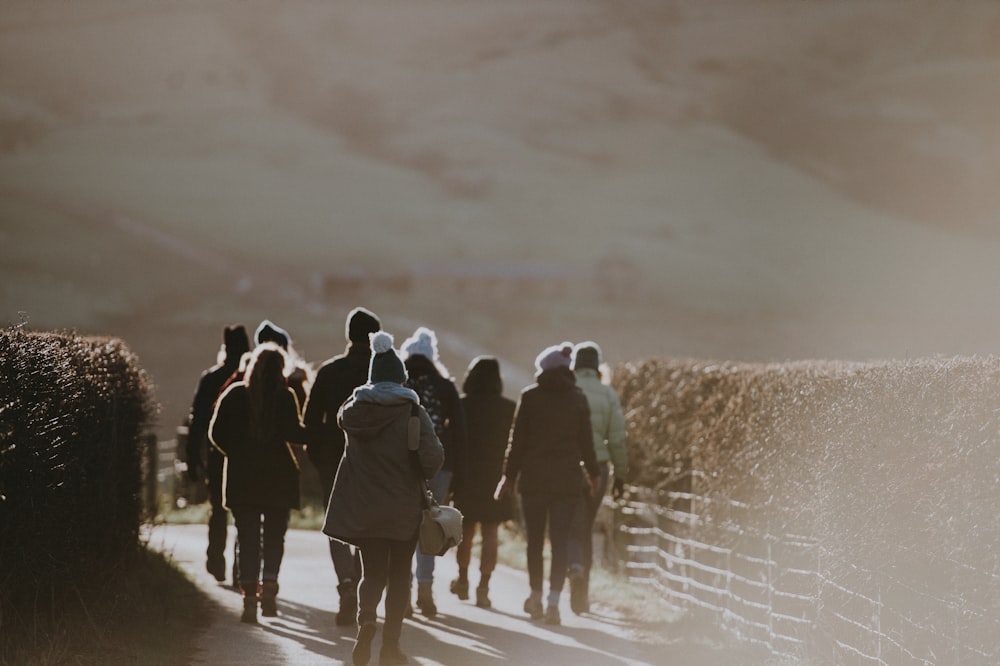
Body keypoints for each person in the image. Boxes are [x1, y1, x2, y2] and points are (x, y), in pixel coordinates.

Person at [323, 331, 444, 666]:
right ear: (401, 378)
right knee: (400, 575)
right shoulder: (413, 412)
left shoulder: (353, 413)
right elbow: (433, 459)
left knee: (372, 573)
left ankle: (365, 625)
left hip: (365, 508)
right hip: (404, 508)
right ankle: (391, 647)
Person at [495, 342, 599, 626]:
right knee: (560, 544)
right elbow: (587, 443)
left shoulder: (530, 397)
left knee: (535, 543)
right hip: (567, 483)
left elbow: (517, 442)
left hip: (534, 482)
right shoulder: (578, 399)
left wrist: (508, 476)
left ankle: (536, 597)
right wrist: (594, 474)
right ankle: (554, 602)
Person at [209, 343, 310, 624]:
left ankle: (250, 598)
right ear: (280, 370)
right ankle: (270, 591)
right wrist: (319, 429)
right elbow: (295, 434)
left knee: (248, 539)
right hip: (279, 481)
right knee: (274, 538)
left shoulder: (234, 395)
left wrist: (237, 453)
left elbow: (215, 433)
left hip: (242, 481)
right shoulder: (285, 397)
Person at [303, 306, 382, 625]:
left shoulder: (329, 371)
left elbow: (309, 420)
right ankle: (361, 587)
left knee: (337, 525)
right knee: (367, 526)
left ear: (349, 335)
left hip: (333, 460)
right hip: (374, 464)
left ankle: (346, 585)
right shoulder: (383, 374)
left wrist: (318, 456)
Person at [400, 326, 467, 617]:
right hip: (440, 466)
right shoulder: (446, 386)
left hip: (401, 465)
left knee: (402, 527)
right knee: (430, 526)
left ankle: (401, 595)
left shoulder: (399, 382)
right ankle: (425, 593)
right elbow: (461, 431)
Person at [566, 341, 628, 615]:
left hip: (567, 466)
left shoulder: (569, 390)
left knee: (571, 526)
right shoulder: (608, 394)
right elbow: (617, 438)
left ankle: (574, 569)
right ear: (597, 366)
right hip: (599, 469)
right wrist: (621, 476)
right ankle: (583, 591)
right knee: (586, 525)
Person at [450, 356, 516, 609]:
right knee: (491, 531)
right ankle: (484, 588)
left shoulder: (462, 405)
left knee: (465, 530)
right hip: (496, 476)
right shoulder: (509, 408)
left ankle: (464, 579)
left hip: (467, 474)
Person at [186, 324, 250, 584]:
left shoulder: (211, 378)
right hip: (246, 456)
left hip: (217, 452)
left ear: (225, 347)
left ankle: (216, 560)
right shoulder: (250, 377)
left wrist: (193, 457)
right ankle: (240, 567)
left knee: (218, 508)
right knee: (244, 512)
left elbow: (198, 421)